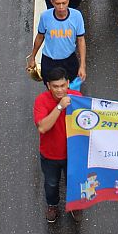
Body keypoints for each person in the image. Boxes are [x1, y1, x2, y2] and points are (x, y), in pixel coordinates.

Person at [33, 67, 83, 223]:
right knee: (51, 184)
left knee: (73, 182)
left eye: (63, 86)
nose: (60, 90)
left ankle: (74, 206)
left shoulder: (78, 97)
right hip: (50, 155)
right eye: (55, 87)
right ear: (48, 86)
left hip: (72, 154)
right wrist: (60, 106)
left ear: (68, 83)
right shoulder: (41, 101)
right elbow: (43, 127)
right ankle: (53, 205)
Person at [28, 0, 86, 83]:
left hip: (69, 60)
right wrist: (32, 57)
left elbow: (81, 40)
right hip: (49, 61)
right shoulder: (45, 16)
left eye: (64, 3)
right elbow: (40, 37)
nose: (61, 7)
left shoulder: (77, 16)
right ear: (52, 3)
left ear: (68, 1)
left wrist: (82, 66)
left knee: (70, 91)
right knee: (52, 90)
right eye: (58, 4)